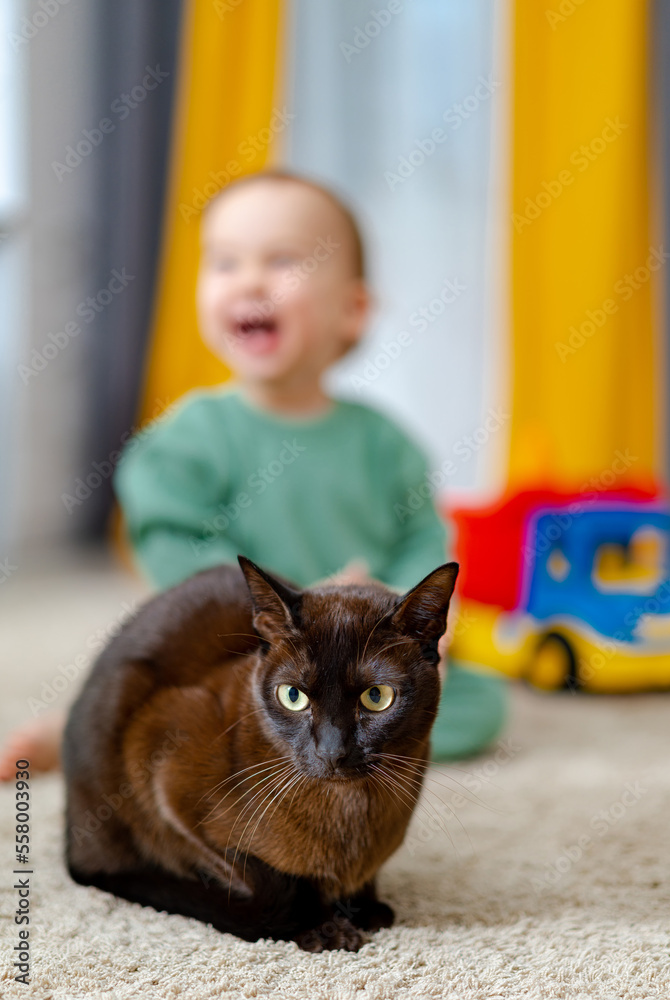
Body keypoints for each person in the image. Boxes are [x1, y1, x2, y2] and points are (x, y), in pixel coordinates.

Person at [0, 170, 506, 780]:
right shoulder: (186, 439)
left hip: (361, 655)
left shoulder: (385, 444)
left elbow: (424, 542)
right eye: (224, 262)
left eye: (283, 259)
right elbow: (173, 548)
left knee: (477, 706)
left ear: (353, 309)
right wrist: (300, 607)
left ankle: (317, 738)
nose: (249, 280)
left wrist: (400, 616)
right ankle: (81, 730)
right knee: (165, 693)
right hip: (244, 649)